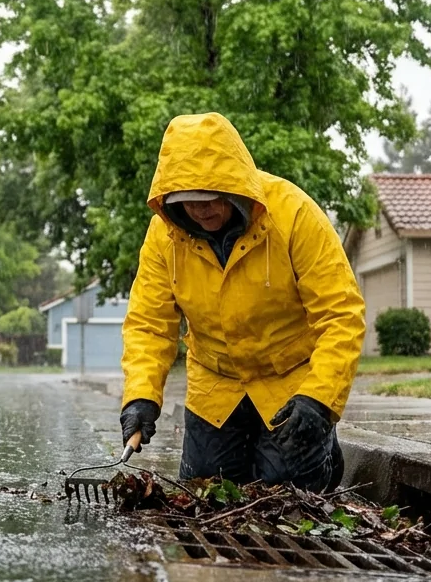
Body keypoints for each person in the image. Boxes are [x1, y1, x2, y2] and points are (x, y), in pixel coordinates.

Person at [118, 112, 366, 492]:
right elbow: (149, 323)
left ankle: (324, 452)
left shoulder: (294, 214)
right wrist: (141, 396)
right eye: (187, 201)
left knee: (284, 488)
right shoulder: (164, 236)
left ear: (234, 188)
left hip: (289, 381)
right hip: (216, 384)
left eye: (209, 198)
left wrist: (319, 400)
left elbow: (341, 315)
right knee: (206, 488)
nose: (200, 210)